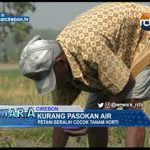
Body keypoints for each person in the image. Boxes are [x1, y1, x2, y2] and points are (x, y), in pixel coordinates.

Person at [19, 2, 150, 148]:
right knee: (93, 112)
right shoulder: (58, 63)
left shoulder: (90, 50)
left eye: (49, 77)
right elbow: (62, 116)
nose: (52, 82)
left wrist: (97, 119)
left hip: (143, 32)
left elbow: (127, 84)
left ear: (61, 63)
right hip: (115, 50)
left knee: (131, 107)